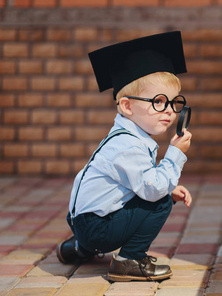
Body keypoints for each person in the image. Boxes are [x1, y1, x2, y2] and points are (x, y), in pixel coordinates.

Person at [56, 31, 193, 282]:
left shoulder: (124, 135)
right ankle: (129, 260)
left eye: (174, 103)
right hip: (95, 227)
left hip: (84, 221)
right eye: (159, 101)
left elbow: (133, 184)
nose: (171, 111)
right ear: (128, 106)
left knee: (159, 193)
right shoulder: (128, 145)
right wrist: (174, 155)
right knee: (159, 200)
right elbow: (152, 190)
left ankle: (77, 249)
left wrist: (166, 187)